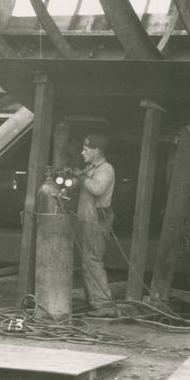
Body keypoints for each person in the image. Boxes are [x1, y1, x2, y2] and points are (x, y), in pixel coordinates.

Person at [76, 134, 118, 317]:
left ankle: (104, 306)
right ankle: (95, 302)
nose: (82, 152)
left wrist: (80, 175)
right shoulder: (91, 168)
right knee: (87, 261)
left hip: (98, 220)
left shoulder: (106, 169)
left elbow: (97, 189)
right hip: (87, 219)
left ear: (97, 150)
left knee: (92, 260)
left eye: (86, 149)